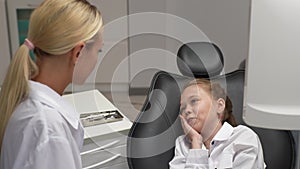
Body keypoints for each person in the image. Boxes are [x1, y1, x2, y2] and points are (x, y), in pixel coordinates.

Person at [0, 0, 103, 168]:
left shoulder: (21, 96)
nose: (97, 59)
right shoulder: (48, 129)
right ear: (78, 53)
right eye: (98, 50)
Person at [169, 79, 265, 169]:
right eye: (183, 108)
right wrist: (196, 143)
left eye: (194, 101)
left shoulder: (243, 137)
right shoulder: (182, 144)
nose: (187, 110)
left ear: (219, 106)